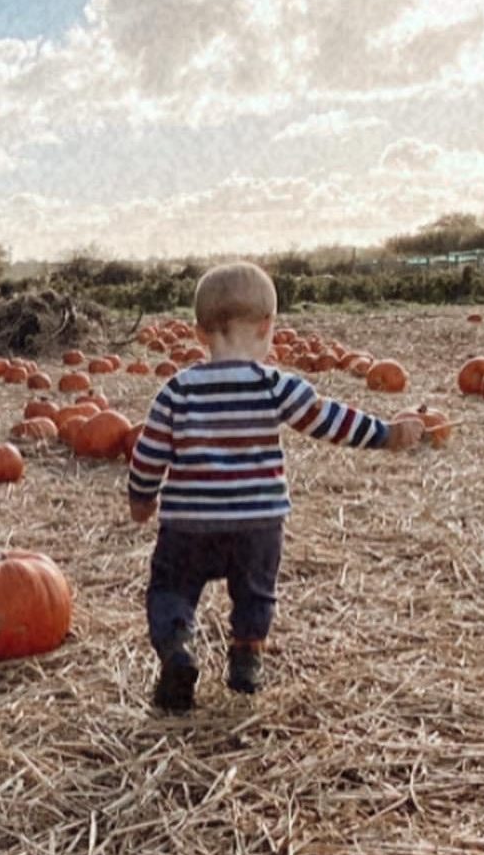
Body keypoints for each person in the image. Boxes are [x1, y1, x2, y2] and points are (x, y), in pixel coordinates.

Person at [128, 261, 424, 711]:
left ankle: (175, 649)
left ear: (199, 334)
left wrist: (142, 498)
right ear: (268, 328)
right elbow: (330, 420)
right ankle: (246, 659)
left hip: (189, 524)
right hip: (257, 525)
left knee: (171, 589)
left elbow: (149, 453)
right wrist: (386, 433)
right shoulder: (274, 385)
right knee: (255, 592)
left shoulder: (178, 390)